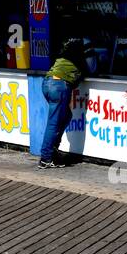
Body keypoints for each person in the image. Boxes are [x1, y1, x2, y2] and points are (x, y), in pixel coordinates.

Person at [39, 38, 90, 169]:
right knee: (54, 123)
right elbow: (89, 70)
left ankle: (52, 150)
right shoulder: (79, 58)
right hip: (59, 86)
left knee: (66, 115)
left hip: (47, 83)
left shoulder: (62, 57)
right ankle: (46, 158)